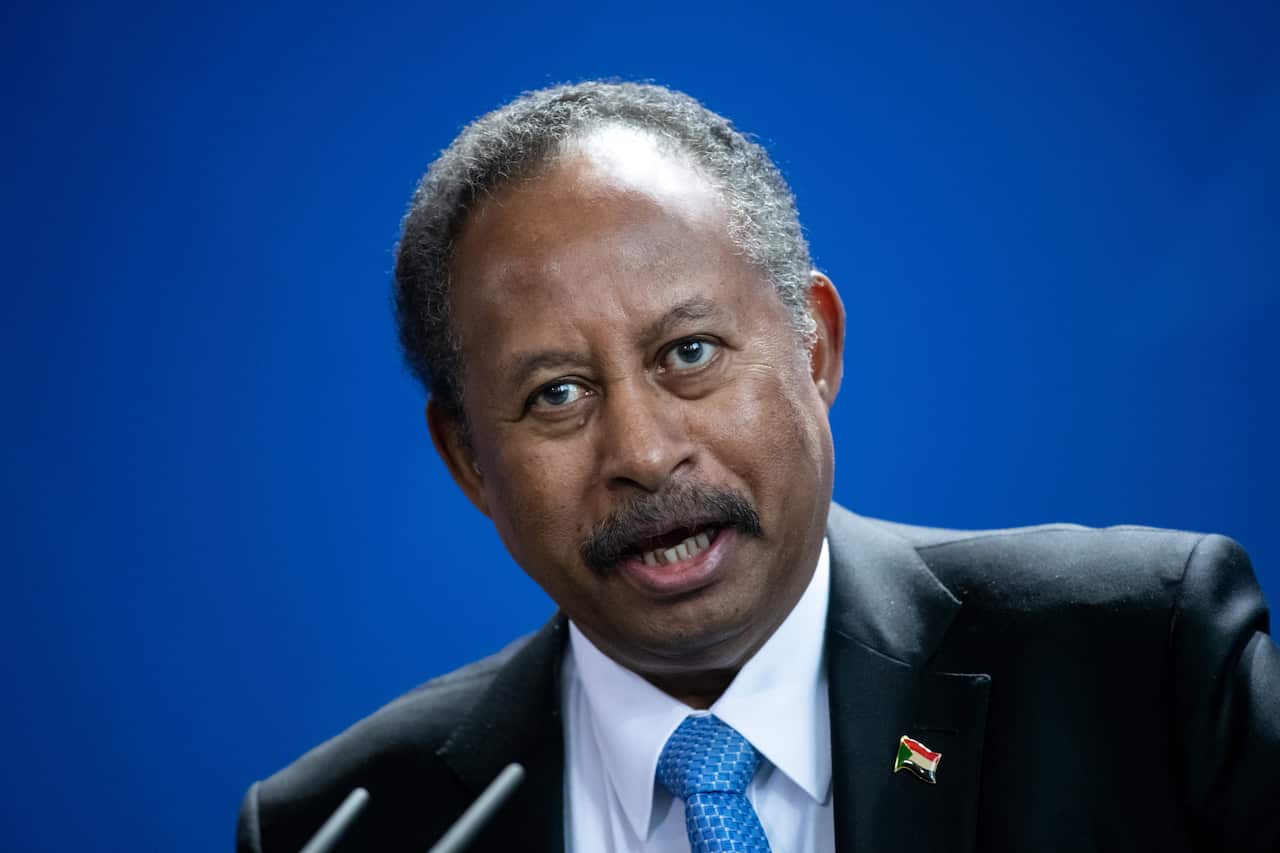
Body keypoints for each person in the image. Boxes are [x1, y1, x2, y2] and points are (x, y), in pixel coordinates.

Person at [236, 82, 1279, 853]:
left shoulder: (1141, 663)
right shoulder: (341, 826)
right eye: (556, 394)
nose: (641, 454)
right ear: (468, 458)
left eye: (687, 353)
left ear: (813, 348)